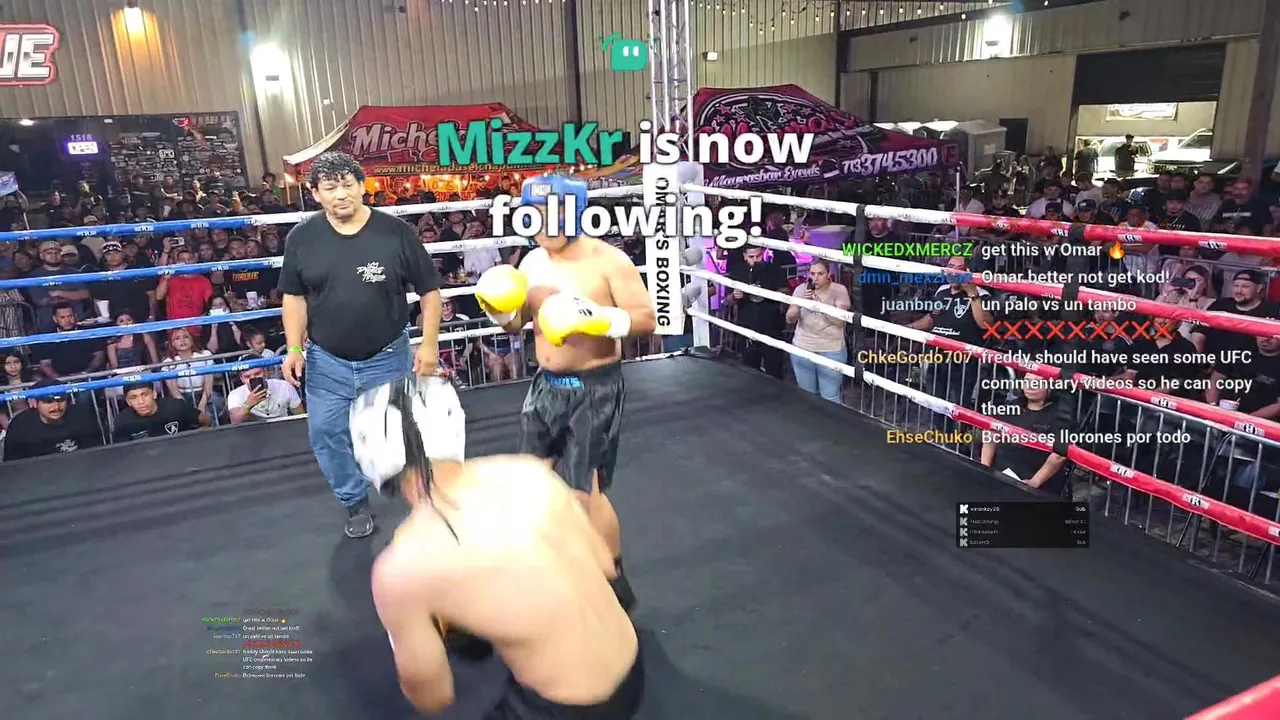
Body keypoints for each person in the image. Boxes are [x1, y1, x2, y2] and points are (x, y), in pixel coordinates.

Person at [349, 375, 643, 718]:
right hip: (633, 668)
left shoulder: (402, 568)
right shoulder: (529, 472)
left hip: (566, 708)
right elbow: (605, 565)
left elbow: (433, 697)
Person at [473, 175, 656, 610]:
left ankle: (613, 576)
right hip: (544, 387)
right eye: (534, 215)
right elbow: (519, 323)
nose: (542, 224)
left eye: (551, 214)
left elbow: (647, 318)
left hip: (594, 388)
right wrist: (499, 311)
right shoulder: (531, 261)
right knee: (531, 481)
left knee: (584, 493)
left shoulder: (609, 261)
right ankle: (543, 570)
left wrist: (596, 319)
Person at [277, 151, 445, 539]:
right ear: (315, 193)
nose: (341, 194)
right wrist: (293, 348)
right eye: (330, 187)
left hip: (387, 355)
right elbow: (294, 296)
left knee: (400, 433)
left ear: (362, 186)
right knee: (326, 434)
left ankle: (422, 499)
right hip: (327, 361)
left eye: (347, 185)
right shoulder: (302, 238)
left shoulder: (394, 232)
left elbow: (430, 290)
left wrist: (429, 344)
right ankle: (354, 501)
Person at [3, 379, 103, 460]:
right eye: (49, 401)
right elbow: (13, 464)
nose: (56, 407)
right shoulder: (19, 425)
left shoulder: (82, 416)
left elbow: (96, 454)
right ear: (34, 403)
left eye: (61, 400)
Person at [112, 382, 202, 442]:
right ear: (128, 401)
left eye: (145, 395)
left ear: (154, 394)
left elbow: (205, 422)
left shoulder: (176, 407)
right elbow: (123, 452)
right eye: (133, 397)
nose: (141, 402)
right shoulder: (122, 421)